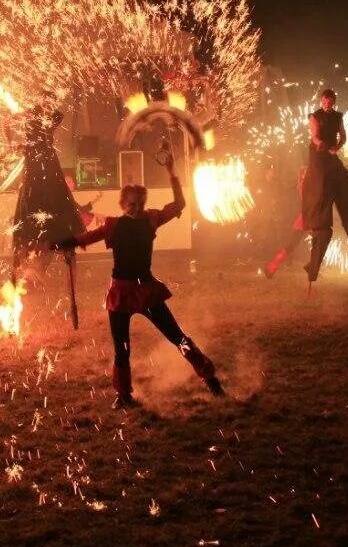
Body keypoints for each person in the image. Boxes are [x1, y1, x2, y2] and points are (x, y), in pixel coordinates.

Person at [53, 150, 222, 409]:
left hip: (146, 290)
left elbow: (178, 205)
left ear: (144, 204)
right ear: (123, 205)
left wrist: (171, 171)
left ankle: (210, 379)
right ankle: (123, 395)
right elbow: (86, 238)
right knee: (122, 349)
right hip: (120, 293)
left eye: (139, 204)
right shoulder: (114, 225)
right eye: (131, 204)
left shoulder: (151, 219)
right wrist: (58, 244)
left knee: (178, 338)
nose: (135, 209)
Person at [301, 89, 348, 287]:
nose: (327, 103)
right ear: (321, 101)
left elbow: (343, 135)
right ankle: (313, 268)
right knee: (323, 231)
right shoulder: (314, 117)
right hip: (319, 165)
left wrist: (337, 146)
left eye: (330, 101)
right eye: (325, 100)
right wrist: (323, 145)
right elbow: (315, 136)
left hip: (333, 162)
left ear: (333, 102)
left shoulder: (338, 116)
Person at [9, 104, 86, 279]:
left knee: (35, 218)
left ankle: (21, 271)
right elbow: (58, 115)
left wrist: (24, 114)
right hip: (41, 181)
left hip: (45, 180)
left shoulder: (35, 140)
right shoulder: (31, 144)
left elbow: (58, 114)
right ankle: (20, 272)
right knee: (37, 216)